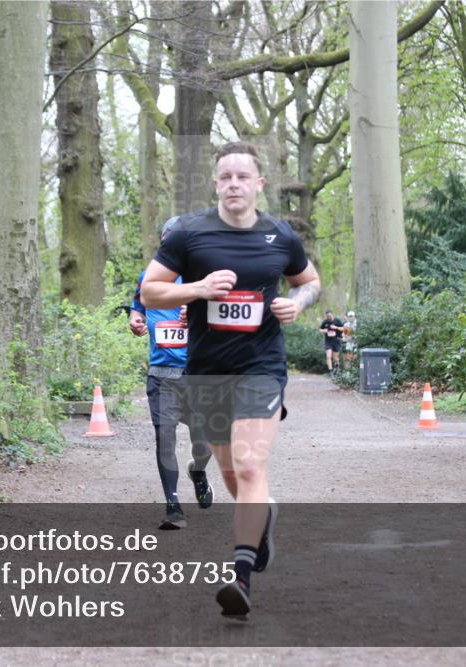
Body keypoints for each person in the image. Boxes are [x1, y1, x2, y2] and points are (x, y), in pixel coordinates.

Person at [141, 141, 320, 618]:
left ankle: (240, 577)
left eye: (243, 177)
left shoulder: (280, 236)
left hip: (261, 368)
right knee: (229, 474)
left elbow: (309, 281)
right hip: (208, 372)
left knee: (249, 464)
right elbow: (150, 291)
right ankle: (264, 516)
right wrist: (199, 288)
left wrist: (296, 304)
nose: (234, 184)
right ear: (215, 183)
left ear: (259, 183)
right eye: (226, 177)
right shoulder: (188, 234)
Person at [129, 223, 214, 530]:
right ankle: (173, 506)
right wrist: (135, 318)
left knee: (203, 443)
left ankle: (198, 471)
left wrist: (199, 315)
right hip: (162, 375)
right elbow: (138, 304)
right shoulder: (149, 277)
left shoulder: (207, 279)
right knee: (164, 438)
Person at [319, 309, 343, 374]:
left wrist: (336, 327)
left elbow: (343, 329)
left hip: (336, 340)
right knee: (328, 356)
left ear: (332, 314)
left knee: (335, 357)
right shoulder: (325, 322)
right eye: (327, 316)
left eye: (329, 316)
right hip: (328, 341)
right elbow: (320, 329)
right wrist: (324, 330)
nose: (329, 317)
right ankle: (330, 371)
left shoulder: (337, 321)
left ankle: (337, 369)